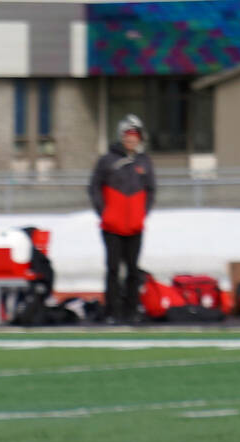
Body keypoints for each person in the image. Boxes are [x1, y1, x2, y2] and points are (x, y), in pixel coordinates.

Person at [88, 114, 154, 324]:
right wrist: (105, 212)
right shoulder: (107, 160)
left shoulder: (144, 162)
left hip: (134, 226)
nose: (131, 139)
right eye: (127, 135)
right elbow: (94, 187)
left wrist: (141, 212)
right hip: (112, 226)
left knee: (133, 269)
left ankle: (131, 310)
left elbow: (151, 190)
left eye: (134, 135)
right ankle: (112, 311)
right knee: (113, 269)